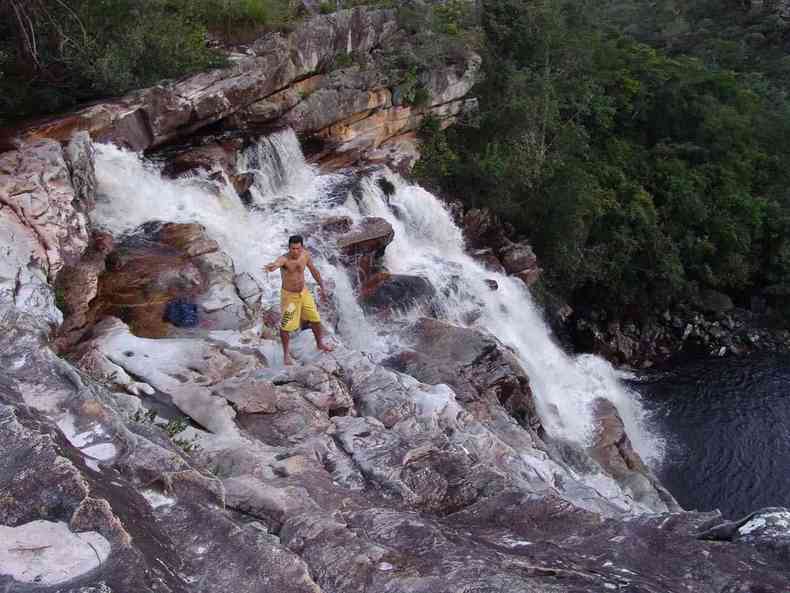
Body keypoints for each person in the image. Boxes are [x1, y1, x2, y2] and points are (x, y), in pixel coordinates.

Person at [264, 235, 333, 365]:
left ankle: (320, 344)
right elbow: (277, 263)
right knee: (286, 326)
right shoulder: (284, 259)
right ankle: (285, 355)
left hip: (304, 293)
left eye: (298, 248)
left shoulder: (305, 255)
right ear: (289, 248)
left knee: (316, 320)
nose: (295, 251)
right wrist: (273, 266)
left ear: (302, 247)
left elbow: (314, 271)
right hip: (290, 298)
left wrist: (322, 285)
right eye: (293, 248)